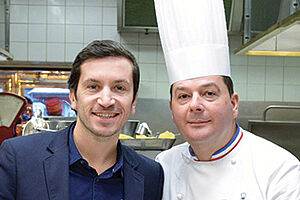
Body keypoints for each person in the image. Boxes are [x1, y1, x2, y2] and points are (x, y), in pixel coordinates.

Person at [154, 0, 300, 199]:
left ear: (233, 104)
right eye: (184, 96)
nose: (195, 105)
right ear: (172, 109)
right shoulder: (162, 166)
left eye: (209, 93)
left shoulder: (280, 170)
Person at [0, 40, 164, 200]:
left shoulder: (150, 175)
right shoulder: (19, 158)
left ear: (133, 101)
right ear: (73, 96)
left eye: (119, 88)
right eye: (93, 87)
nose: (106, 101)